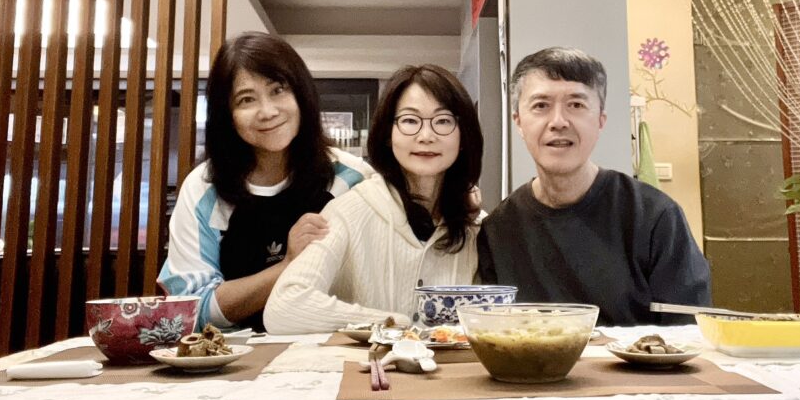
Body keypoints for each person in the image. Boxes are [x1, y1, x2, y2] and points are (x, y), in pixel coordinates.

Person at [478, 47, 711, 325]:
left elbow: (688, 331)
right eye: (541, 106)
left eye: (576, 105)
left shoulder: (655, 217)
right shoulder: (499, 230)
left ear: (600, 120)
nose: (558, 122)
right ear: (518, 121)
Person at [158, 32, 372, 331]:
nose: (268, 112)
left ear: (301, 95)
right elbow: (192, 310)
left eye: (278, 90)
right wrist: (288, 265)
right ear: (227, 114)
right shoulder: (204, 187)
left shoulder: (352, 178)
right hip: (234, 354)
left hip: (335, 346)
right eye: (246, 99)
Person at [264, 64, 484, 333]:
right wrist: (393, 323)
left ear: (463, 137)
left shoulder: (476, 227)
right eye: (410, 121)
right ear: (388, 135)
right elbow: (284, 308)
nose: (426, 136)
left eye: (443, 121)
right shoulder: (348, 212)